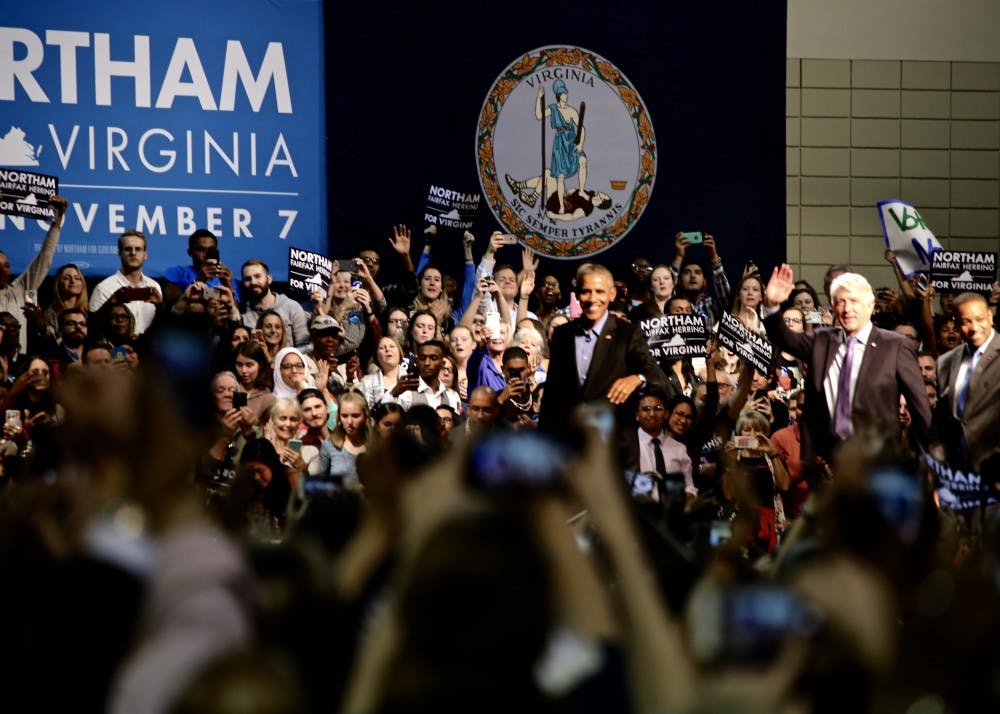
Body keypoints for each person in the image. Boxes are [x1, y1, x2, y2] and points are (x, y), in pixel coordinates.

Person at [762, 263, 930, 462]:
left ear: (871, 305)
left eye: (854, 301)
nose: (847, 309)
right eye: (840, 302)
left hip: (878, 460)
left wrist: (926, 460)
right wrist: (771, 305)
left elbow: (919, 407)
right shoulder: (822, 340)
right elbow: (784, 338)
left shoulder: (895, 345)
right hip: (826, 462)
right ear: (833, 307)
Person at [538, 264, 667, 438]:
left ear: (611, 294)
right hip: (571, 445)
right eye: (586, 291)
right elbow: (552, 395)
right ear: (577, 295)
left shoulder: (627, 333)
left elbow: (658, 378)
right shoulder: (562, 335)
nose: (592, 299)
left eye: (599, 292)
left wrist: (637, 378)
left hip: (615, 445)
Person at [935, 293, 1000, 474]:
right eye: (966, 321)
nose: (974, 327)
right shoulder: (945, 362)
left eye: (979, 319)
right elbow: (941, 419)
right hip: (956, 470)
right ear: (956, 324)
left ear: (990, 316)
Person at [0, 196, 66, 353]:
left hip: (18, 365)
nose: (3, 270)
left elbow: (44, 259)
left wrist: (57, 219)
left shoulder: (19, 289)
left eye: (6, 265)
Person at [622, 389, 695, 498]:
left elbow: (689, 487)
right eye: (646, 409)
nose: (652, 414)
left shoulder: (679, 449)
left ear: (666, 414)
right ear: (637, 415)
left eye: (658, 408)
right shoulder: (624, 446)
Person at [89, 230, 163, 335]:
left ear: (145, 255)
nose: (133, 253)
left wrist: (161, 306)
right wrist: (111, 302)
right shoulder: (104, 288)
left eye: (138, 249)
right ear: (119, 254)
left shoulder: (154, 286)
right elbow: (93, 326)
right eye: (128, 249)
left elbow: (162, 327)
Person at [240, 259, 309, 348]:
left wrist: (284, 359)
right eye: (248, 279)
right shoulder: (243, 313)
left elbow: (305, 345)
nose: (253, 282)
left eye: (257, 276)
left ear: (269, 279)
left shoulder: (291, 307)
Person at [162, 229, 240, 305]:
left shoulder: (227, 278)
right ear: (190, 252)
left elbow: (236, 313)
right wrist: (199, 281)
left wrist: (228, 286)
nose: (206, 254)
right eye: (200, 249)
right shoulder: (177, 273)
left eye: (211, 250)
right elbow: (173, 306)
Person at [385, 340, 461, 411]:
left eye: (433, 358)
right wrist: (394, 393)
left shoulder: (452, 397)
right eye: (422, 358)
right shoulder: (405, 391)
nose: (427, 363)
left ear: (442, 363)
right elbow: (383, 416)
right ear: (417, 362)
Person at [44, 263, 89, 336]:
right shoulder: (51, 314)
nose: (73, 281)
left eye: (77, 278)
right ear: (58, 283)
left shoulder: (89, 312)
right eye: (66, 278)